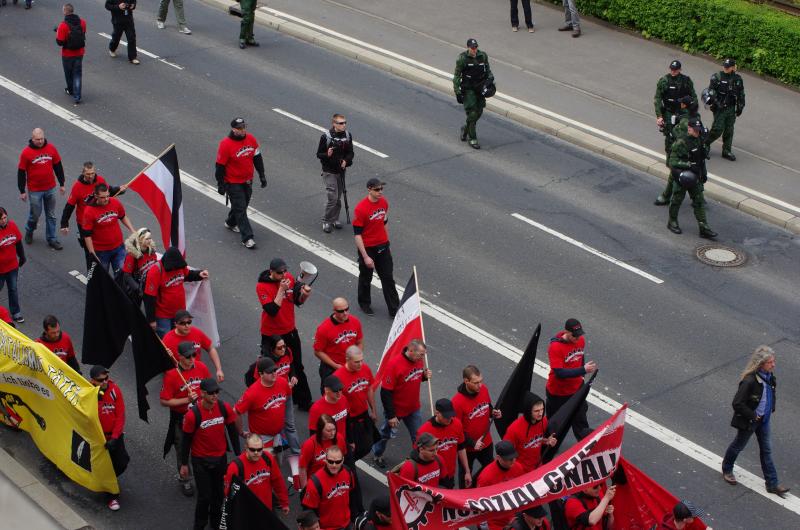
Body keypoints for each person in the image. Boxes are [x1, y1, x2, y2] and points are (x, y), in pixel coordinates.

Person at [721, 345, 790, 498]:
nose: (773, 365)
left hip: (764, 420)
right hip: (751, 421)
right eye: (770, 362)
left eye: (773, 361)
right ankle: (727, 468)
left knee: (767, 450)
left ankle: (772, 483)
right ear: (760, 364)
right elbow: (737, 403)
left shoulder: (769, 377)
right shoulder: (749, 381)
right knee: (738, 445)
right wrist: (753, 416)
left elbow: (770, 394)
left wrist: (770, 409)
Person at [180, 378, 241, 530]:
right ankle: (199, 525)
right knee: (204, 497)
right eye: (211, 393)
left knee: (219, 495)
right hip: (200, 461)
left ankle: (215, 524)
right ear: (202, 393)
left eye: (217, 392)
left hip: (220, 458)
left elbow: (232, 431)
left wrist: (239, 455)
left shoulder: (223, 408)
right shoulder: (193, 415)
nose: (215, 395)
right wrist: (183, 464)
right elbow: (185, 441)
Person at [256, 257, 313, 409]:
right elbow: (272, 311)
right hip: (272, 334)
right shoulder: (262, 286)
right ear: (271, 272)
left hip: (289, 330)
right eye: (280, 273)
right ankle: (270, 400)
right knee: (273, 368)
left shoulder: (288, 278)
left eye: (285, 271)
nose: (284, 275)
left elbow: (297, 301)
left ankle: (304, 401)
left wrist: (304, 295)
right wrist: (281, 290)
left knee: (297, 365)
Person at [235, 357, 302, 485]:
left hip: (277, 436)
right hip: (262, 440)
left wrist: (288, 421)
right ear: (260, 374)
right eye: (270, 372)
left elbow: (288, 397)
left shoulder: (282, 383)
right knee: (262, 470)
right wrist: (241, 432)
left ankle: (274, 491)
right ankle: (265, 494)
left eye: (275, 370)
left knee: (277, 464)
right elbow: (236, 411)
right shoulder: (252, 393)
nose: (274, 373)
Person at [160, 341, 210, 497]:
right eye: (188, 356)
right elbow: (164, 401)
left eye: (194, 355)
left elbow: (209, 386)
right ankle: (185, 478)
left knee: (204, 446)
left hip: (200, 415)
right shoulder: (172, 375)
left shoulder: (201, 367)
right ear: (179, 357)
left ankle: (206, 475)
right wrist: (186, 401)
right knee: (182, 449)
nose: (191, 359)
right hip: (181, 418)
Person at [372, 339, 431, 469]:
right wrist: (391, 415)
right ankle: (377, 453)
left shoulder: (418, 360)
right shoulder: (394, 365)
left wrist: (424, 377)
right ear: (410, 351)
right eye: (421, 354)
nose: (423, 357)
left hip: (413, 408)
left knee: (418, 436)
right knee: (385, 434)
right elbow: (385, 392)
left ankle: (418, 462)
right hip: (396, 411)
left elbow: (414, 377)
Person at [60, 162, 126, 269]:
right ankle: (92, 274)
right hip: (84, 223)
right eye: (88, 174)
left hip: (100, 219)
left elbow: (107, 193)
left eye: (92, 173)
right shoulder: (77, 187)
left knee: (100, 248)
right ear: (83, 173)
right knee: (90, 252)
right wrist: (64, 224)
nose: (91, 176)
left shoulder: (100, 180)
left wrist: (119, 189)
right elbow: (69, 206)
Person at [216, 117, 266, 249]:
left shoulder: (251, 139)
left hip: (247, 180)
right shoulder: (225, 144)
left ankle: (231, 222)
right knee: (240, 208)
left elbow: (257, 158)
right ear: (233, 129)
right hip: (232, 182)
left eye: (244, 127)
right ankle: (247, 237)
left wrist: (262, 175)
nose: (243, 130)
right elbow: (220, 166)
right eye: (239, 128)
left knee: (242, 206)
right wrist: (220, 184)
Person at [353, 179, 399, 316]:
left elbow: (384, 221)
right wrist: (366, 256)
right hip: (368, 249)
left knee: (388, 278)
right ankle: (364, 303)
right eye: (377, 190)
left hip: (383, 246)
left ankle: (394, 308)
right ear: (369, 189)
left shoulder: (384, 203)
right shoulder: (361, 209)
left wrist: (386, 240)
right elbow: (357, 235)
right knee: (366, 278)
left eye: (381, 189)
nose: (380, 192)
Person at [545, 319, 596, 441]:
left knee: (580, 419)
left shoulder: (580, 341)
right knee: (554, 423)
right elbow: (559, 373)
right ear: (566, 332)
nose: (577, 338)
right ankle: (548, 446)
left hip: (576, 389)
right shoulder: (555, 347)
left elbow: (581, 356)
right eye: (574, 335)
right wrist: (582, 370)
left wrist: (582, 376)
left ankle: (585, 446)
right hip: (558, 393)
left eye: (579, 335)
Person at [452, 364, 502, 488]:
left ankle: (476, 487)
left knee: (490, 469)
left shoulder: (483, 389)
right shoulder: (457, 402)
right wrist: (473, 443)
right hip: (467, 449)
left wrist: (493, 412)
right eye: (476, 382)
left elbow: (487, 406)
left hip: (486, 442)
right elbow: (456, 431)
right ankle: (463, 499)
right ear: (466, 381)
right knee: (465, 477)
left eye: (481, 381)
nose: (480, 385)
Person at [667, 120, 717, 239]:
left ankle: (703, 227)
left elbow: (701, 159)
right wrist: (688, 165)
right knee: (677, 199)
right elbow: (672, 161)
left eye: (698, 130)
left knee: (698, 201)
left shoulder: (700, 140)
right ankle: (672, 221)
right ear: (689, 129)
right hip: (683, 176)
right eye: (694, 130)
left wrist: (703, 173)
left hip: (696, 175)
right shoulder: (681, 143)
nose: (697, 132)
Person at [143, 246, 209, 337]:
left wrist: (199, 274)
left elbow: (187, 274)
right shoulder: (155, 271)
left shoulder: (179, 265)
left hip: (180, 314)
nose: (176, 269)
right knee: (165, 343)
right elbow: (149, 298)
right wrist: (151, 320)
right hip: (163, 316)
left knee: (178, 339)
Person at [17, 128, 66, 250]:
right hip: (35, 190)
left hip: (50, 187)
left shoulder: (51, 148)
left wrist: (62, 183)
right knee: (35, 214)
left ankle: (52, 239)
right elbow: (21, 172)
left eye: (42, 139)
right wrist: (22, 191)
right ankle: (29, 230)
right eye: (37, 139)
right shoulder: (26, 153)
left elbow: (58, 166)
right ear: (32, 139)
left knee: (51, 214)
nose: (40, 141)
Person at [90, 365, 129, 511]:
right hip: (98, 437)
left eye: (106, 378)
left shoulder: (115, 390)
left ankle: (106, 481)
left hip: (114, 436)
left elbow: (120, 416)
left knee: (122, 462)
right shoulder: (89, 392)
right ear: (93, 381)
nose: (105, 382)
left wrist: (114, 437)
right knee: (105, 466)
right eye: (101, 380)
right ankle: (111, 495)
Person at [224, 433, 289, 514]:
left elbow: (278, 481)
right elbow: (229, 495)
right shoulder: (235, 467)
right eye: (252, 449)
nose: (256, 452)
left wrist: (284, 503)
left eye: (259, 449)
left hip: (267, 510)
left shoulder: (268, 458)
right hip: (247, 514)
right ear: (246, 448)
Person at [655, 96, 701, 206]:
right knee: (697, 172)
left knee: (674, 175)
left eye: (682, 103)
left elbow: (678, 136)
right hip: (695, 151)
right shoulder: (696, 116)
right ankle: (698, 199)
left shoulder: (684, 120)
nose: (680, 104)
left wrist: (670, 129)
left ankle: (666, 196)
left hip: (682, 152)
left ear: (685, 105)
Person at [334, 345, 378, 460]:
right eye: (356, 362)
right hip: (349, 420)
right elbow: (336, 403)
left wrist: (373, 410)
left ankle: (348, 463)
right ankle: (345, 465)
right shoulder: (338, 377)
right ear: (347, 360)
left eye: (362, 361)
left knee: (368, 444)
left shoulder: (365, 369)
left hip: (363, 414)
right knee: (352, 449)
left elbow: (369, 389)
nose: (360, 364)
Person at [82, 183, 136, 275]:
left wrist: (132, 230)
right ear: (96, 196)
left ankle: (119, 289)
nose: (106, 199)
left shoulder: (115, 202)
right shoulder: (89, 211)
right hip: (101, 252)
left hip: (119, 247)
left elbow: (123, 216)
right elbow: (87, 235)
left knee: (122, 273)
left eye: (107, 196)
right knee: (103, 276)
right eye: (103, 197)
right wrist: (92, 253)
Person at [417, 398, 469, 489]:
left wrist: (467, 471)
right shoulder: (424, 431)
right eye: (446, 416)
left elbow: (461, 448)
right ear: (437, 413)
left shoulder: (457, 424)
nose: (449, 419)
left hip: (449, 474)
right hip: (432, 476)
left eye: (451, 415)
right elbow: (418, 456)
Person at [313, 297, 364, 387]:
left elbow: (359, 341)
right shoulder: (324, 329)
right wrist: (336, 366)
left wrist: (357, 358)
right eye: (341, 311)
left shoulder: (355, 322)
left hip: (351, 365)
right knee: (332, 394)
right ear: (334, 311)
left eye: (347, 309)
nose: (345, 313)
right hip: (332, 368)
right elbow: (318, 351)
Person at [654, 60, 696, 165]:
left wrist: (693, 111)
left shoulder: (686, 81)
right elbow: (657, 99)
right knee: (670, 136)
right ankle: (670, 159)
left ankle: (682, 156)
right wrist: (659, 116)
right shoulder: (664, 81)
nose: (673, 71)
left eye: (675, 70)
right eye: (671, 69)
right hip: (669, 112)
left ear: (680, 70)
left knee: (684, 134)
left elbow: (693, 96)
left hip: (683, 112)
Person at [302, 445, 354, 530]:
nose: (334, 465)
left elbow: (352, 495)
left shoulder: (348, 472)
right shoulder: (315, 483)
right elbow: (309, 511)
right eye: (330, 461)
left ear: (343, 460)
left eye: (337, 462)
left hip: (347, 524)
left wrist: (353, 518)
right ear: (325, 460)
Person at [163, 310, 224, 382]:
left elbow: (210, 348)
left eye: (189, 322)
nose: (187, 326)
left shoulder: (196, 332)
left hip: (198, 371)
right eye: (182, 323)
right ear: (175, 324)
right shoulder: (167, 339)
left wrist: (219, 369)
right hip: (181, 376)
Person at [317, 113, 354, 233]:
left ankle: (335, 219)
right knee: (332, 197)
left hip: (341, 171)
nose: (344, 125)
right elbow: (319, 154)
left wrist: (346, 161)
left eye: (345, 123)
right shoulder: (326, 137)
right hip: (329, 171)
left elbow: (350, 153)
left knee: (338, 197)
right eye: (341, 123)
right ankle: (326, 221)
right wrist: (327, 154)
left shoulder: (348, 136)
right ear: (334, 124)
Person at [453, 39, 493, 149]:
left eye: (476, 47)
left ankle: (465, 128)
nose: (474, 50)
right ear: (468, 47)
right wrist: (457, 92)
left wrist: (490, 79)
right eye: (472, 48)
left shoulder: (483, 56)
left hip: (480, 87)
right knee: (473, 113)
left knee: (479, 111)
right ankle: (472, 138)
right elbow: (457, 76)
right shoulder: (462, 59)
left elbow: (488, 70)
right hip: (469, 88)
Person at [476, 441, 525, 530]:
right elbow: (480, 505)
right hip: (494, 522)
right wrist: (483, 527)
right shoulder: (486, 477)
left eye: (514, 457)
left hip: (513, 517)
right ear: (498, 457)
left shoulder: (518, 467)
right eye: (509, 459)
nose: (513, 461)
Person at [503, 392, 556, 472]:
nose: (541, 413)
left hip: (538, 465)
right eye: (536, 411)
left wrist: (546, 441)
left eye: (542, 409)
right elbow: (506, 453)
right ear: (528, 411)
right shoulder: (514, 429)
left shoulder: (544, 421)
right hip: (521, 471)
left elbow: (535, 439)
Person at [705, 58, 745, 161]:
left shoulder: (737, 79)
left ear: (732, 67)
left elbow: (741, 93)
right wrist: (717, 103)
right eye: (724, 66)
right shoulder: (717, 77)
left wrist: (740, 106)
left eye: (728, 67)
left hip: (731, 108)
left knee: (729, 129)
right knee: (717, 129)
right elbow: (710, 92)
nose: (725, 68)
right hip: (720, 108)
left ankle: (726, 150)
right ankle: (705, 144)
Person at [299, 414, 347, 489]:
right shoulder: (309, 444)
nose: (333, 433)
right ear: (320, 430)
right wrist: (305, 489)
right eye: (328, 430)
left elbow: (343, 459)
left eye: (334, 429)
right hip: (317, 484)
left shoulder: (339, 438)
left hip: (334, 482)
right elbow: (302, 469)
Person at [55, 4, 86, 105]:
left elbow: (60, 42)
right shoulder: (82, 22)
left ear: (65, 11)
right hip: (80, 52)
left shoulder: (63, 25)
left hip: (67, 54)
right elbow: (83, 34)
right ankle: (77, 96)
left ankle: (71, 90)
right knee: (77, 74)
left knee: (68, 74)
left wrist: (58, 32)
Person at [0, 208, 26, 324]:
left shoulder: (12, 226)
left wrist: (22, 256)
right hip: (0, 269)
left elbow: (18, 243)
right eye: (1, 219)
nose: (3, 221)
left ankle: (16, 312)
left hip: (12, 266)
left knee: (13, 289)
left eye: (5, 218)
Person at [120, 227, 157, 302]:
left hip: (150, 285)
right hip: (137, 288)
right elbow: (127, 275)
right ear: (140, 240)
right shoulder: (132, 255)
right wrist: (138, 289)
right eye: (147, 239)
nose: (150, 241)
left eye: (150, 238)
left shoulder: (151, 250)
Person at [105, 0, 139, 65]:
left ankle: (133, 57)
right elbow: (107, 6)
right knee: (116, 37)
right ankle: (112, 49)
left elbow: (134, 1)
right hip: (117, 20)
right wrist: (118, 7)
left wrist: (133, 5)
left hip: (128, 20)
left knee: (131, 38)